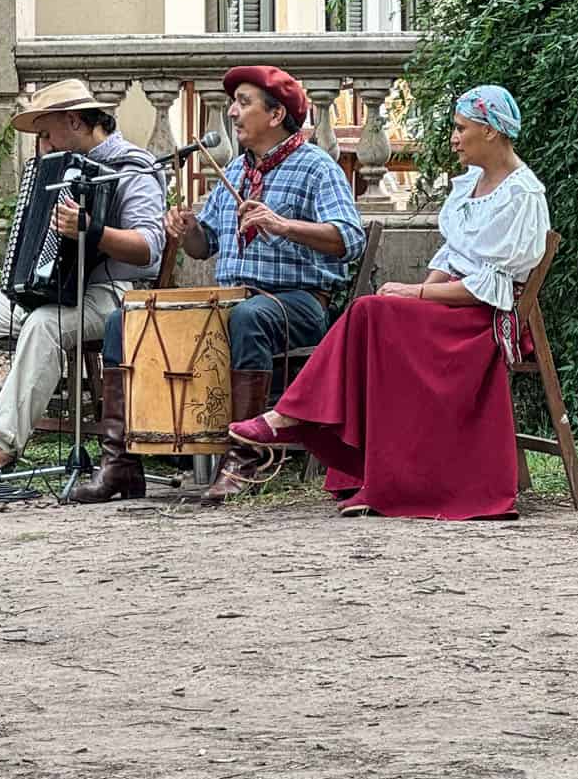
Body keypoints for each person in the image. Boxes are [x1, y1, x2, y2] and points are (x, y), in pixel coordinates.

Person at [229, 83, 550, 520]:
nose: (454, 138)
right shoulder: (471, 184)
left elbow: (487, 289)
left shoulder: (522, 195)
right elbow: (451, 257)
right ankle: (326, 441)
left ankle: (294, 419)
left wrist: (417, 294)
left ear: (491, 131)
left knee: (372, 310)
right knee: (377, 310)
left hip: (483, 321)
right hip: (454, 307)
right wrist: (415, 297)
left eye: (461, 128)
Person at [73, 63, 365, 505]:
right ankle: (120, 464)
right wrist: (184, 227)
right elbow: (201, 246)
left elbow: (350, 238)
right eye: (233, 102)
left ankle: (243, 460)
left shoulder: (316, 167)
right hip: (229, 302)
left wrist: (285, 226)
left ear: (276, 114)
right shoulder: (237, 168)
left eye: (243, 103)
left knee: (248, 317)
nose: (231, 112)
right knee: (123, 319)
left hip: (297, 302)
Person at [0, 78, 166, 481]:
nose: (42, 145)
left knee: (44, 326)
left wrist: (92, 231)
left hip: (116, 294)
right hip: (55, 291)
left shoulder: (133, 167)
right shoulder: (56, 169)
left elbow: (149, 247)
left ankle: (2, 447)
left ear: (74, 121)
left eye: (45, 133)